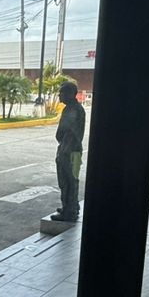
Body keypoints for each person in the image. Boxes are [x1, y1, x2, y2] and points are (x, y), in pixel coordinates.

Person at [52, 81, 85, 221]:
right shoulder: (76, 108)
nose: (60, 95)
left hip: (69, 150)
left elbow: (62, 131)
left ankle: (69, 211)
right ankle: (71, 206)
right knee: (71, 180)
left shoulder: (72, 110)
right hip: (72, 150)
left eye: (62, 92)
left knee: (67, 180)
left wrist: (61, 141)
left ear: (71, 94)